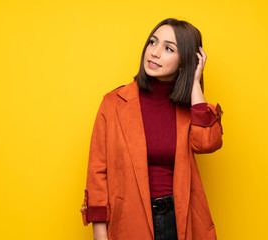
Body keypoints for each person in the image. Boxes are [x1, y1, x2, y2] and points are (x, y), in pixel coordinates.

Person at [80, 18, 224, 240]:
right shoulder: (115, 103)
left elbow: (206, 143)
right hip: (130, 221)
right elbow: (98, 170)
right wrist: (100, 232)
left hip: (181, 220)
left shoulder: (192, 109)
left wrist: (194, 84)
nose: (154, 52)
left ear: (185, 61)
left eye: (168, 48)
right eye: (152, 42)